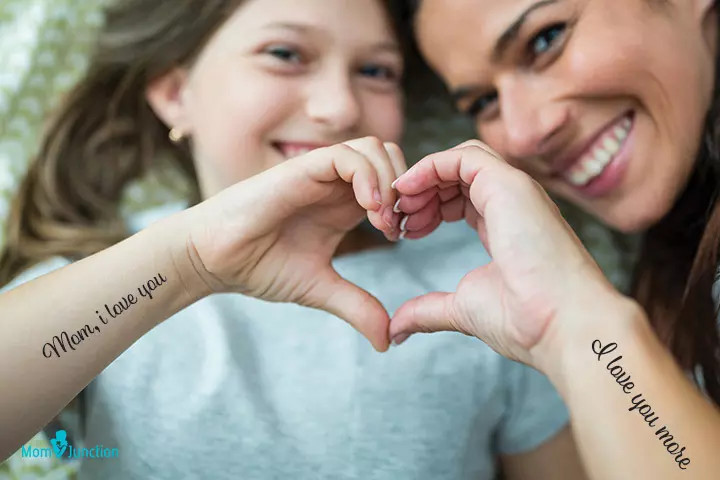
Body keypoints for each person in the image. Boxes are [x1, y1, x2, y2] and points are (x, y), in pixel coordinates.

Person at [0, 0, 585, 478]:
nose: (339, 109)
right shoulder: (105, 276)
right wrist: (188, 263)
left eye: (377, 70)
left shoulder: (484, 282)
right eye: (284, 54)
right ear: (176, 94)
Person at [387, 0, 720, 478]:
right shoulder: (672, 257)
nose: (521, 136)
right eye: (484, 102)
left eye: (545, 40)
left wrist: (578, 324)